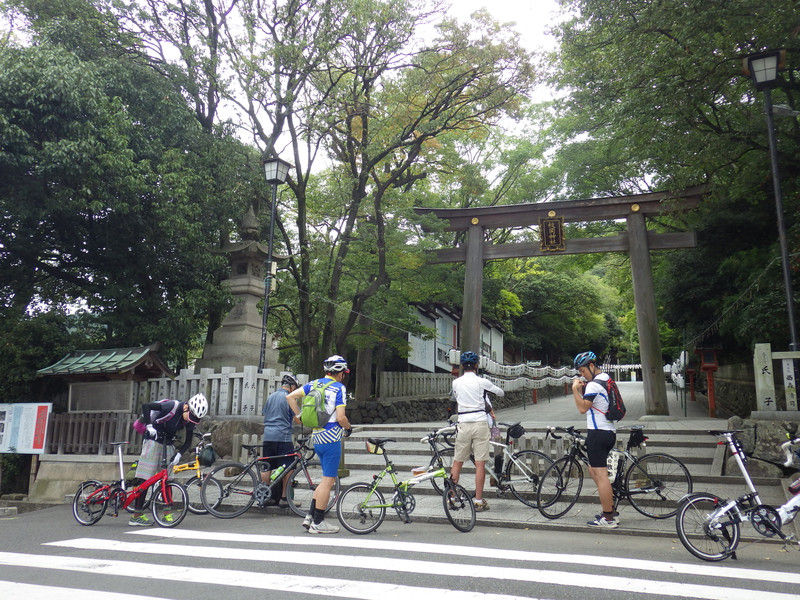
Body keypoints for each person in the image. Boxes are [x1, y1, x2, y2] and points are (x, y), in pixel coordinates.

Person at [286, 355, 352, 534]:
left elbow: (290, 397)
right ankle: (319, 522)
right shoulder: (339, 388)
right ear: (340, 373)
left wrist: (298, 416)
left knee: (324, 479)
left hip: (317, 436)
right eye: (344, 373)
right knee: (328, 481)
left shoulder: (314, 384)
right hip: (331, 437)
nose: (343, 376)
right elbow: (341, 417)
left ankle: (310, 517)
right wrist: (348, 427)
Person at [129, 393, 208, 526]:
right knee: (145, 478)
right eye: (191, 416)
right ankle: (136, 515)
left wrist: (179, 455)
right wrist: (149, 426)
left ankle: (167, 514)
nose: (191, 421)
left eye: (195, 419)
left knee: (167, 480)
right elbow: (146, 406)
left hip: (168, 444)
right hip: (153, 442)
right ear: (186, 407)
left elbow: (188, 442)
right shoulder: (171, 406)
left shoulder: (189, 420)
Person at [448, 351, 502, 512]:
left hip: (463, 423)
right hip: (479, 423)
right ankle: (478, 501)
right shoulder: (482, 381)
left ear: (462, 366)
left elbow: (456, 398)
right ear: (477, 365)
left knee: (457, 461)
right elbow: (500, 392)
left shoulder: (456, 383)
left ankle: (451, 497)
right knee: (480, 463)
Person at [572, 351, 618, 528]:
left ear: (591, 366)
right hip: (608, 432)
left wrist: (575, 390)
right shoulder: (605, 378)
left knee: (600, 475)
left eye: (583, 370)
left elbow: (583, 408)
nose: (581, 374)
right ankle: (610, 506)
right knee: (594, 471)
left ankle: (608, 517)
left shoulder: (593, 386)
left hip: (598, 433)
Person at [261, 373, 300, 508]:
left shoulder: (270, 397)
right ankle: (285, 498)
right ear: (291, 386)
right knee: (288, 467)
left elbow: (265, 414)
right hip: (282, 437)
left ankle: (265, 495)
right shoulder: (289, 398)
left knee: (267, 465)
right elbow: (298, 419)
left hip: (267, 436)